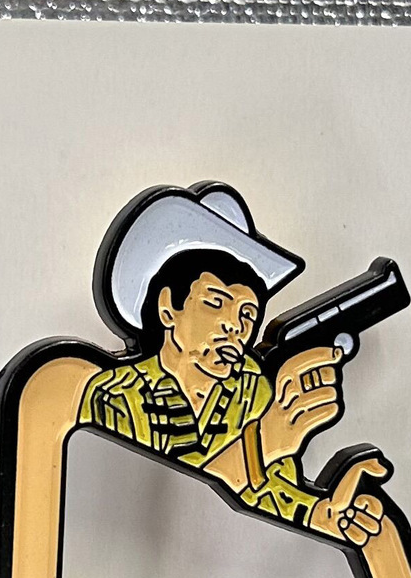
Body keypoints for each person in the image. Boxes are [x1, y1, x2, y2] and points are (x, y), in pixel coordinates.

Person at [79, 185, 390, 548]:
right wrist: (265, 440)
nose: (234, 326)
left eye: (247, 314)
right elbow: (153, 520)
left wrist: (319, 515)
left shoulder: (254, 391)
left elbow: (274, 495)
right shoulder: (117, 396)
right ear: (167, 307)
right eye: (215, 302)